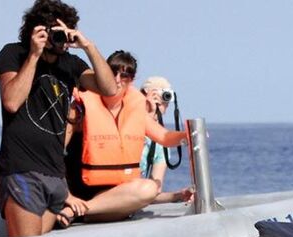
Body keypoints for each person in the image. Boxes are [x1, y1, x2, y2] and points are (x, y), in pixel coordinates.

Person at [0, 0, 116, 237]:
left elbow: (109, 89)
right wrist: (34, 55)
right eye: (55, 32)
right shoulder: (14, 53)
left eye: (64, 32)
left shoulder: (71, 64)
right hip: (22, 170)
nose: (61, 39)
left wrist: (88, 47)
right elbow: (11, 101)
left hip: (57, 176)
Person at [59, 51, 188, 225]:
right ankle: (75, 207)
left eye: (125, 75)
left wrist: (189, 135)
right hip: (78, 191)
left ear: (131, 80)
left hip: (113, 199)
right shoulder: (81, 107)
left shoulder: (136, 108)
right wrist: (66, 195)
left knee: (149, 188)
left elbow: (165, 137)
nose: (117, 80)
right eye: (112, 73)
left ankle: (80, 210)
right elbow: (56, 150)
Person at [139, 76, 193, 204]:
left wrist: (179, 195)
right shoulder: (124, 122)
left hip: (131, 200)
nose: (158, 104)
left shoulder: (161, 144)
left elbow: (153, 193)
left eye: (165, 99)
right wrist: (146, 113)